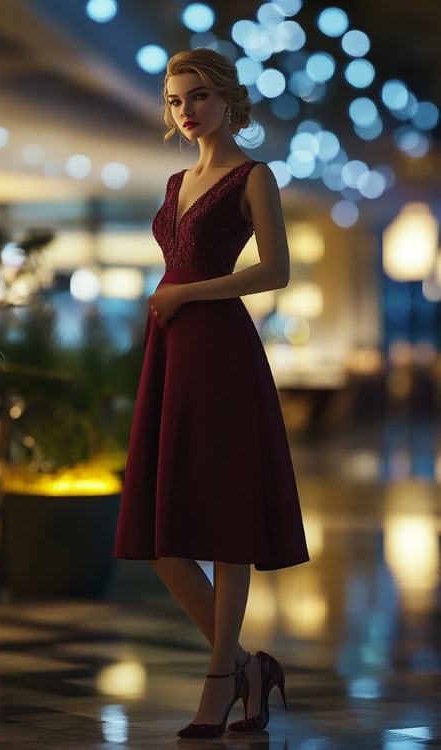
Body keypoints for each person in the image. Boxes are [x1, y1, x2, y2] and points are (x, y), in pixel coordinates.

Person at [113, 47, 310, 739]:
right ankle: (249, 669)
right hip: (172, 351)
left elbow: (277, 270)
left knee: (226, 523)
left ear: (226, 98)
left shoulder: (254, 176)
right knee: (164, 536)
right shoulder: (175, 182)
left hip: (221, 350)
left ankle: (223, 680)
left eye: (197, 96)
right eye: (175, 100)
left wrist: (187, 292)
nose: (185, 110)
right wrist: (173, 301)